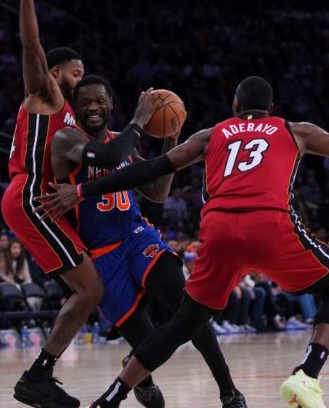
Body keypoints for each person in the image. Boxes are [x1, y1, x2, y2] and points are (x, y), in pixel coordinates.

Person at [37, 76, 329, 408]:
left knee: (184, 322)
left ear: (235, 106)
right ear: (271, 109)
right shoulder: (295, 130)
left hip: (216, 232)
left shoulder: (211, 134)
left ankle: (111, 398)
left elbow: (150, 172)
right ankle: (307, 376)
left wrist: (82, 189)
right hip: (269, 226)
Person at [0, 0, 169, 406]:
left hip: (53, 205)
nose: (81, 78)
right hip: (33, 198)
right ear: (56, 74)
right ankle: (38, 376)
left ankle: (134, 367)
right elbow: (31, 47)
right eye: (76, 72)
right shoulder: (48, 96)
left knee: (99, 286)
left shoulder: (75, 118)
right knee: (91, 289)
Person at [49, 75, 244, 407]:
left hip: (137, 236)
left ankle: (228, 390)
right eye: (86, 102)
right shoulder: (66, 139)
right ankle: (138, 373)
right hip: (101, 256)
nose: (93, 107)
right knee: (147, 346)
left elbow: (157, 192)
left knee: (187, 305)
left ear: (111, 104)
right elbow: (110, 157)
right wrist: (140, 119)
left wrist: (171, 141)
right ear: (76, 107)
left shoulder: (121, 142)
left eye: (100, 100)